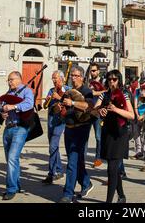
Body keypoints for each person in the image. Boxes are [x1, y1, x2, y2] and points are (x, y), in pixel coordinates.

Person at [95, 69, 134, 203]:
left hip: (120, 134)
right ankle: (122, 196)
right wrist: (100, 110)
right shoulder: (103, 95)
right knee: (114, 168)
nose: (111, 82)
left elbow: (131, 115)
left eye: (114, 79)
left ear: (119, 80)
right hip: (107, 133)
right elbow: (94, 111)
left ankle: (108, 201)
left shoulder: (124, 94)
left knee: (111, 169)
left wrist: (116, 109)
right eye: (109, 79)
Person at [58, 66, 94, 203]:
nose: (73, 77)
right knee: (77, 160)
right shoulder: (67, 91)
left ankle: (68, 194)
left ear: (82, 77)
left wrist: (72, 102)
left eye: (76, 75)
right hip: (68, 128)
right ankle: (86, 183)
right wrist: (59, 107)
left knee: (72, 161)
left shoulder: (87, 91)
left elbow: (88, 106)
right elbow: (63, 107)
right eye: (72, 75)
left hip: (81, 128)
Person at [0, 71, 34, 200]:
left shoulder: (26, 91)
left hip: (20, 128)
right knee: (10, 159)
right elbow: (2, 108)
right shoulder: (8, 93)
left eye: (11, 79)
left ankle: (11, 189)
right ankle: (17, 185)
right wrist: (2, 113)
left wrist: (13, 106)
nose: (9, 82)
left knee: (12, 158)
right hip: (7, 128)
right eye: (8, 80)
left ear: (19, 79)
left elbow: (29, 104)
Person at [42, 70, 69, 184]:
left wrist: (59, 97)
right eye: (52, 78)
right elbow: (44, 106)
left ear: (62, 78)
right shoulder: (51, 90)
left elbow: (69, 103)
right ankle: (59, 170)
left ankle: (51, 174)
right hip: (51, 119)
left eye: (55, 78)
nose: (53, 80)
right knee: (53, 147)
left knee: (53, 146)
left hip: (60, 121)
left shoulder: (67, 90)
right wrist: (47, 101)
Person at [87, 62, 106, 168]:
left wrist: (95, 93)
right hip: (89, 112)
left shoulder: (103, 81)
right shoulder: (88, 82)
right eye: (91, 71)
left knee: (98, 137)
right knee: (84, 136)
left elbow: (106, 92)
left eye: (94, 70)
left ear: (98, 71)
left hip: (98, 113)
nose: (92, 72)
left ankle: (98, 158)